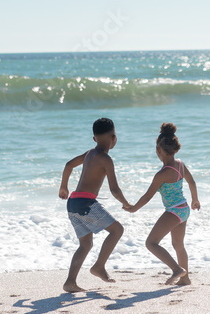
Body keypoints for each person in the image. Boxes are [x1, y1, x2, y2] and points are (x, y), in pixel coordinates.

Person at [58, 117, 130, 293]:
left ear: (94, 138)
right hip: (86, 204)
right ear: (114, 138)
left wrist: (63, 187)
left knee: (85, 244)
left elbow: (68, 165)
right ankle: (99, 266)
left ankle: (70, 282)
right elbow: (114, 189)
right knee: (117, 230)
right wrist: (126, 203)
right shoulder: (106, 159)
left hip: (73, 202)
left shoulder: (89, 153)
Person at [124, 122, 200, 285]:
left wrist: (133, 208)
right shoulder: (180, 164)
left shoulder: (162, 174)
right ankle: (185, 279)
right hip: (184, 209)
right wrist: (195, 199)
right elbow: (192, 182)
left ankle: (177, 270)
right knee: (178, 245)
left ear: (158, 150)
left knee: (151, 243)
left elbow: (147, 196)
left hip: (173, 211)